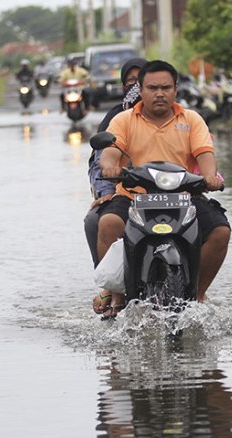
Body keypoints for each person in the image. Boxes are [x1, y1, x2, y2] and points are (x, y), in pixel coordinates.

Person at [95, 60, 230, 318]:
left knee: (220, 230)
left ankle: (198, 294)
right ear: (141, 90)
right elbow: (109, 154)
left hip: (183, 197)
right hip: (134, 196)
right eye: (153, 87)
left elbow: (205, 155)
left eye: (166, 87)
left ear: (176, 89)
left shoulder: (191, 119)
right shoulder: (123, 120)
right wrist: (110, 167)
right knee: (108, 222)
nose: (160, 93)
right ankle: (116, 294)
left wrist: (211, 177)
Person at [85, 57, 147, 315]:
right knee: (97, 220)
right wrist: (106, 192)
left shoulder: (181, 116)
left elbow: (198, 157)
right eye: (130, 82)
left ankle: (196, 287)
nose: (137, 87)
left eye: (140, 80)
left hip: (170, 193)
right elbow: (101, 161)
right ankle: (112, 286)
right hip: (127, 193)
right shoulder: (118, 119)